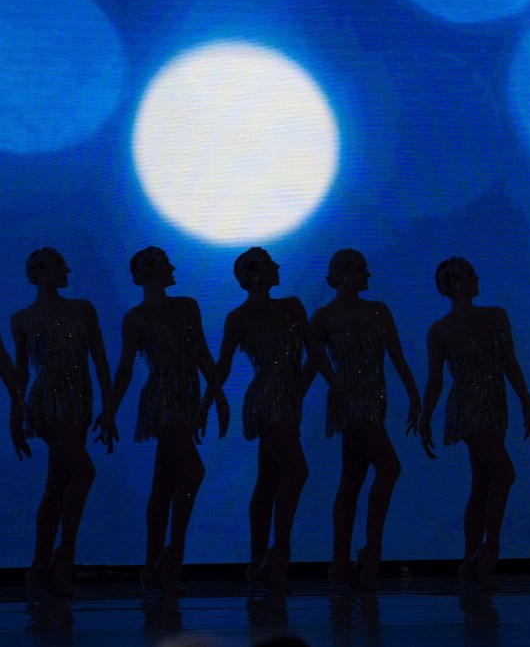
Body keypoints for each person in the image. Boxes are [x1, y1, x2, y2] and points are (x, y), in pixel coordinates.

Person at [96, 247, 229, 594]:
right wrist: (110, 409)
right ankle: (173, 555)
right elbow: (125, 368)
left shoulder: (187, 306)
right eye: (164, 262)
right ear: (149, 272)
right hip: (161, 397)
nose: (172, 266)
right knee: (192, 470)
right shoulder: (136, 318)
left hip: (186, 394)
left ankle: (151, 564)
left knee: (164, 484)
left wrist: (216, 395)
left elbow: (201, 352)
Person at [212, 247, 339, 593]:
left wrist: (334, 384)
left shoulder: (292, 305)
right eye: (269, 263)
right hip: (266, 399)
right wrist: (211, 399)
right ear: (253, 274)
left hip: (289, 397)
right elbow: (222, 366)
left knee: (269, 479)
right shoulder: (239, 317)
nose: (277, 266)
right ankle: (278, 555)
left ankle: (257, 565)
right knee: (296, 471)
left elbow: (314, 349)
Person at [418, 257, 530, 590]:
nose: (476, 278)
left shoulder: (495, 316)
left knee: (483, 484)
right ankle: (488, 553)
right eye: (471, 274)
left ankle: (470, 562)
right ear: (456, 282)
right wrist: (425, 416)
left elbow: (510, 363)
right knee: (504, 473)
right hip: (468, 406)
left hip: (495, 402)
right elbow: (435, 381)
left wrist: (527, 403)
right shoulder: (440, 330)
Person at [307, 249, 422, 591]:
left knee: (352, 480)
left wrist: (414, 397)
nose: (367, 274)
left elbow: (397, 356)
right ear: (343, 274)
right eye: (361, 269)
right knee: (389, 467)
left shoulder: (378, 311)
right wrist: (293, 401)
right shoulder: (324, 316)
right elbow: (313, 364)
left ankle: (341, 563)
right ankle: (370, 556)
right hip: (348, 400)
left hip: (375, 399)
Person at [12, 247, 113, 596]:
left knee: (56, 485)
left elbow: (100, 360)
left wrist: (109, 405)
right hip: (47, 402)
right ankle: (63, 556)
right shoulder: (22, 318)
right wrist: (16, 416)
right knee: (83, 472)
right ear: (40, 272)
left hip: (79, 402)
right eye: (59, 265)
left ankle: (38, 567)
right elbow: (22, 373)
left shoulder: (83, 310)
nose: (66, 269)